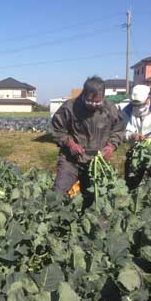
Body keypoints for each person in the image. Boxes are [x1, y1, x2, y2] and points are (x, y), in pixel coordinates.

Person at [51, 75, 125, 204]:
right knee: (58, 193)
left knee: (94, 197)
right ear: (84, 94)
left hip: (96, 161)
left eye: (98, 102)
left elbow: (118, 130)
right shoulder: (70, 107)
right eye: (90, 101)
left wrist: (111, 146)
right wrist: (70, 144)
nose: (94, 105)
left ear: (103, 97)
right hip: (71, 159)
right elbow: (56, 129)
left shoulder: (110, 109)